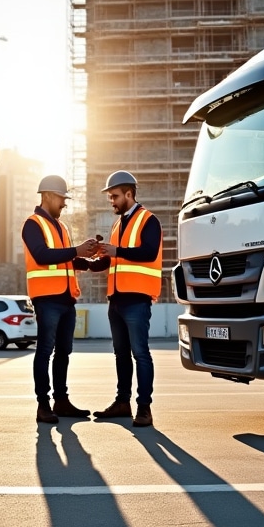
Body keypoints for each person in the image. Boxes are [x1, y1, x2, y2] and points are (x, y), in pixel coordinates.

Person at [22, 174, 105, 424]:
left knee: (64, 352)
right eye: (61, 198)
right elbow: (41, 255)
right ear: (47, 195)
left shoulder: (62, 227)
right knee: (45, 351)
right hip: (46, 298)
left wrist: (91, 260)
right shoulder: (32, 224)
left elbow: (68, 259)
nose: (65, 203)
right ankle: (43, 405)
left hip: (66, 298)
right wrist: (76, 250)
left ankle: (62, 401)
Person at [92, 170, 163, 428]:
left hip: (137, 299)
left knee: (140, 353)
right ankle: (123, 402)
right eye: (110, 196)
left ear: (129, 194)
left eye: (115, 196)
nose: (111, 200)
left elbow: (148, 252)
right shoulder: (116, 224)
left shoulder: (148, 220)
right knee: (121, 354)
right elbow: (112, 259)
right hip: (117, 299)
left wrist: (116, 250)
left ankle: (144, 408)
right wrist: (88, 261)